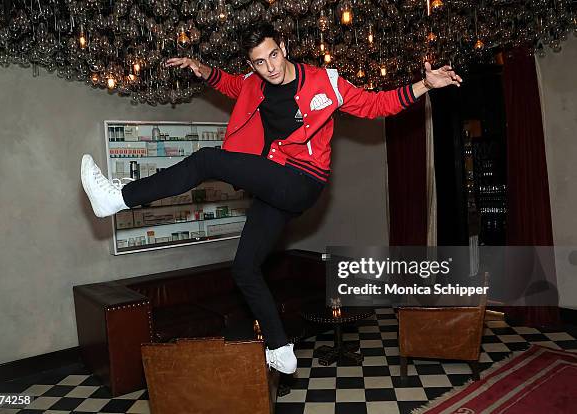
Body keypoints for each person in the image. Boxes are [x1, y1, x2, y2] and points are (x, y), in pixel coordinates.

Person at [81, 23, 462, 374]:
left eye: (274, 56)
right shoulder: (255, 83)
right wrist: (203, 68)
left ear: (284, 47)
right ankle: (280, 350)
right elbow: (232, 85)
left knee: (207, 159)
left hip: (303, 181)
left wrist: (424, 85)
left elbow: (376, 105)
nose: (270, 67)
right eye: (260, 63)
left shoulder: (324, 82)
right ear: (253, 64)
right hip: (276, 184)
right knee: (244, 268)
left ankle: (118, 198)